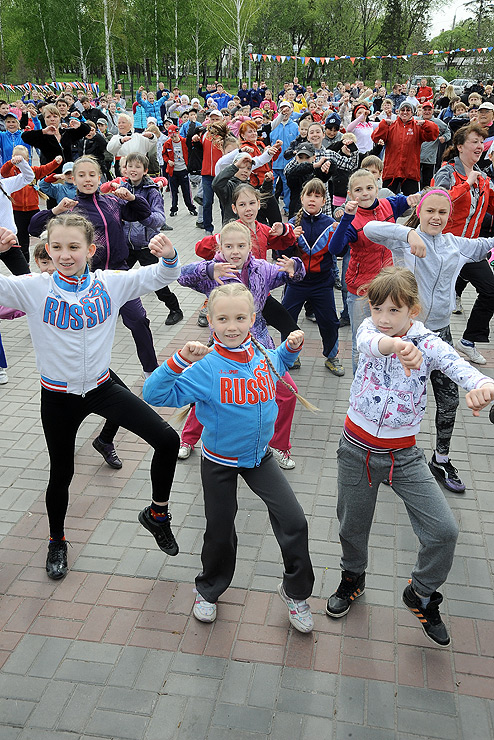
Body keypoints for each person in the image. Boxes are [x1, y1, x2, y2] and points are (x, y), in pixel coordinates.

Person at [0, 217, 182, 580]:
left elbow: (160, 276)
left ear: (90, 250)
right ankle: (56, 540)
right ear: (47, 249)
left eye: (73, 247)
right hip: (58, 397)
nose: (65, 255)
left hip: (101, 388)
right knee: (62, 473)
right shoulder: (35, 288)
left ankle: (157, 515)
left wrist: (170, 255)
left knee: (167, 440)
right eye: (56, 247)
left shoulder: (109, 283)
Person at [325, 266, 494, 647]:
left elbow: (457, 365)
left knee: (444, 531)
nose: (383, 318)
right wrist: (396, 346)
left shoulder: (429, 343)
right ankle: (352, 577)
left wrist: (483, 385)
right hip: (356, 449)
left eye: (394, 310)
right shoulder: (370, 331)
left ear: (413, 311)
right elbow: (372, 343)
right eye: (377, 308)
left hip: (403, 456)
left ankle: (420, 593)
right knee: (352, 527)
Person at [143, 282, 315, 631]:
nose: (232, 326)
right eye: (222, 319)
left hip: (261, 459)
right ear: (210, 320)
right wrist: (179, 360)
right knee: (220, 532)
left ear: (253, 318)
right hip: (219, 462)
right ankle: (208, 590)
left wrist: (289, 349)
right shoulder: (207, 367)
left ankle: (295, 593)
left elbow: (279, 365)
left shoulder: (262, 353)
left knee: (295, 521)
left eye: (240, 318)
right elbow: (154, 393)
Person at [363, 186, 494, 493]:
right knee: (398, 400)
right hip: (406, 337)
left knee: (449, 401)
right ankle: (388, 456)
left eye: (442, 212)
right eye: (430, 211)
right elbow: (369, 228)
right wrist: (409, 234)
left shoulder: (456, 244)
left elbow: (486, 245)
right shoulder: (404, 240)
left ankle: (441, 458)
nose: (436, 217)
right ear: (419, 212)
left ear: (450, 216)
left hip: (441, 335)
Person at [29, 156, 161, 379]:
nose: (87, 179)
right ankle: (87, 375)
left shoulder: (111, 202)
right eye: (81, 175)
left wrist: (131, 198)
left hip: (119, 273)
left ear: (100, 178)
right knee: (87, 330)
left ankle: (151, 370)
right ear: (74, 179)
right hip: (88, 280)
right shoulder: (70, 208)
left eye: (92, 175)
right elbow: (34, 228)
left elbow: (143, 213)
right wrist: (55, 211)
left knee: (138, 320)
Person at [328, 168, 420, 372]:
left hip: (388, 286)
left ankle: (383, 380)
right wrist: (346, 218)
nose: (365, 193)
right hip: (361, 290)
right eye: (358, 190)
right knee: (361, 342)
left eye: (369, 188)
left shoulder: (389, 204)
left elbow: (410, 200)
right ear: (350, 194)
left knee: (388, 337)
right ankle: (359, 385)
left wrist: (414, 198)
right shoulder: (351, 219)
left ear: (377, 188)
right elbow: (335, 249)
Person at [432, 123, 494, 366]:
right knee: (437, 302)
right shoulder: (448, 172)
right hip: (444, 246)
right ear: (459, 146)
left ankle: (467, 341)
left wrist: (477, 181)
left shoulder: (483, 177)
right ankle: (429, 344)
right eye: (474, 142)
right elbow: (437, 201)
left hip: (470, 248)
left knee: (491, 291)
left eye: (481, 142)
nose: (480, 146)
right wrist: (466, 183)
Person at [282, 178, 343, 376]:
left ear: (324, 201)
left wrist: (343, 228)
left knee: (330, 322)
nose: (312, 199)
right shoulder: (292, 224)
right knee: (287, 319)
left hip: (322, 284)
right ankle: (290, 355)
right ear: (301, 198)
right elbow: (281, 254)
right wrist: (290, 239)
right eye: (309, 195)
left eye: (317, 196)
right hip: (296, 283)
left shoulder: (331, 225)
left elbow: (340, 251)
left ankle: (332, 357)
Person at [122, 152, 183, 325]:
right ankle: (117, 306)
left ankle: (175, 309)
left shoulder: (152, 191)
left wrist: (142, 215)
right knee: (118, 277)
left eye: (137, 166)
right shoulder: (122, 188)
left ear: (145, 170)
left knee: (157, 283)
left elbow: (160, 219)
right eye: (130, 166)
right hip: (127, 245)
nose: (133, 170)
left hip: (146, 246)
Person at [0, 148, 61, 263]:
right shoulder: (11, 173)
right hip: (17, 211)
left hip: (33, 209)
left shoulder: (33, 171)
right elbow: (3, 172)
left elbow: (45, 168)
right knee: (23, 241)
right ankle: (26, 263)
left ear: (27, 160)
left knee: (44, 233)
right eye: (15, 157)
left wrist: (56, 162)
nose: (18, 160)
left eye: (22, 159)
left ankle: (50, 258)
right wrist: (10, 163)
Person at [371, 102, 439, 195]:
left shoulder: (417, 126)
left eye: (408, 110)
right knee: (387, 200)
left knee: (411, 201)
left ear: (412, 113)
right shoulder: (391, 125)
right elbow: (376, 138)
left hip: (410, 172)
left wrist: (426, 123)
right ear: (399, 112)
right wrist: (383, 124)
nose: (405, 112)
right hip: (391, 171)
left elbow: (433, 135)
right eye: (403, 110)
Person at [162, 124, 198, 218]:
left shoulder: (184, 141)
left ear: (178, 133)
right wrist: (168, 161)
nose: (173, 138)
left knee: (186, 191)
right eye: (171, 137)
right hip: (172, 171)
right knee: (173, 192)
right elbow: (164, 154)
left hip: (183, 170)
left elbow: (191, 151)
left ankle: (191, 208)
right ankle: (174, 208)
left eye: (174, 136)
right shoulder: (167, 143)